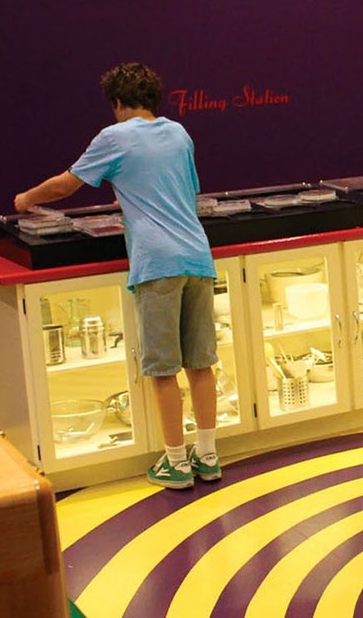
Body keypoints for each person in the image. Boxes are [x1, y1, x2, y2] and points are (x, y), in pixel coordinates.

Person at [14, 62, 221, 490]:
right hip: (198, 256)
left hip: (157, 262)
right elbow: (183, 190)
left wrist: (25, 199)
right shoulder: (179, 133)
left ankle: (176, 463)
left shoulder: (115, 137)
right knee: (201, 363)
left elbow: (65, 186)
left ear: (119, 103)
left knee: (163, 368)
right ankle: (209, 456)